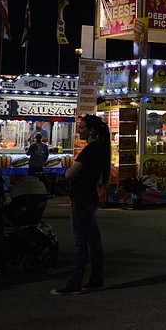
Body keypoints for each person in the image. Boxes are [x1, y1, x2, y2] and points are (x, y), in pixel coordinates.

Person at [51, 114, 111, 295]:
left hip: (81, 200)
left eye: (82, 128)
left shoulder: (90, 150)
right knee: (93, 242)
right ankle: (95, 279)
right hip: (89, 198)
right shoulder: (100, 150)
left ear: (91, 131)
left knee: (81, 243)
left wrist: (72, 173)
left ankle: (75, 282)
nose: (79, 131)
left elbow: (69, 174)